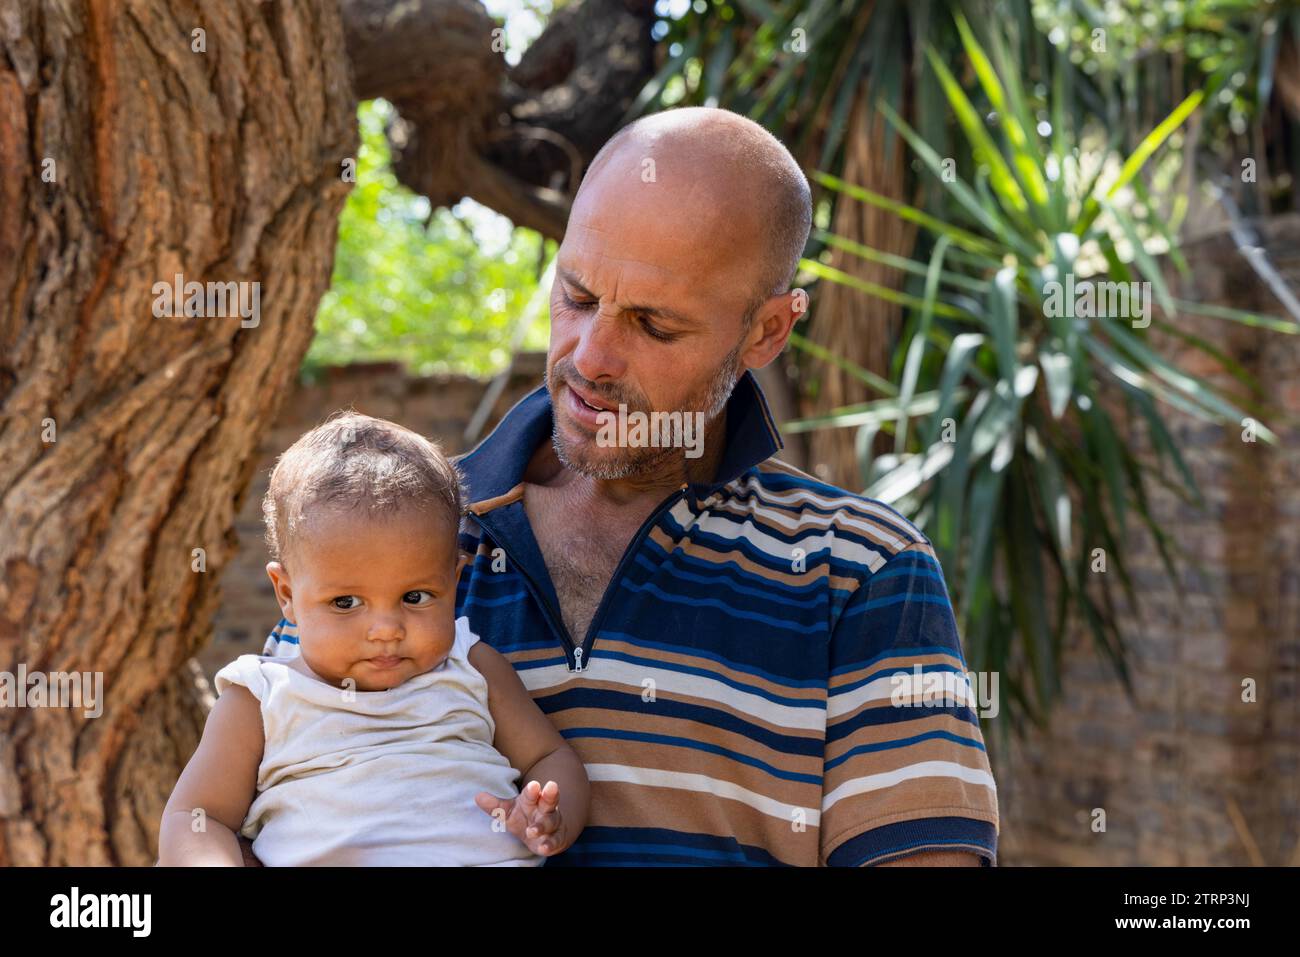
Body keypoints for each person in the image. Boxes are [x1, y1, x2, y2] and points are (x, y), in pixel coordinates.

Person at [258, 105, 999, 866]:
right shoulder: (381, 534)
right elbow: (264, 811)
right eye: (578, 297)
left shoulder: (862, 570)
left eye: (654, 325)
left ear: (767, 331)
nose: (592, 356)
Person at [160, 413, 589, 865]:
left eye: (416, 596)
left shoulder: (472, 667)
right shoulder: (261, 700)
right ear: (287, 594)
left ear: (454, 580)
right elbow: (198, 815)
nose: (386, 629)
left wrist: (550, 815)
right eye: (346, 603)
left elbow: (551, 757)